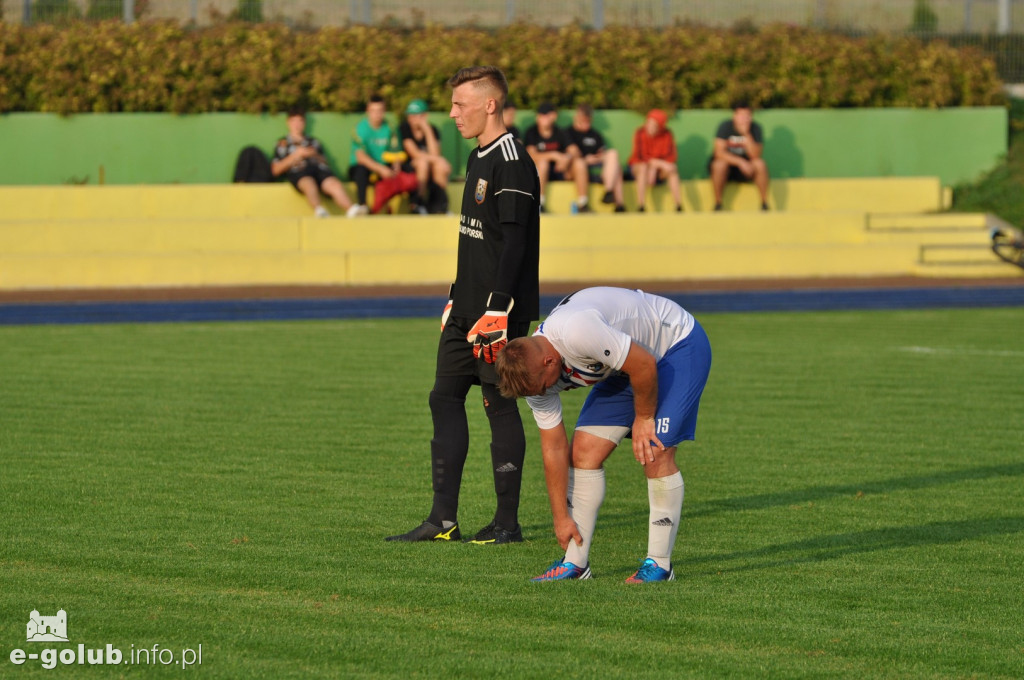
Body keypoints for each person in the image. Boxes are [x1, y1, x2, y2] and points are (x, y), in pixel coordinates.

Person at [386, 65, 541, 545]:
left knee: (498, 406)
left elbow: (515, 244)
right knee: (444, 398)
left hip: (499, 314)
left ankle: (506, 524)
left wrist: (497, 309)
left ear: (489, 105)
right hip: (465, 311)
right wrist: (455, 298)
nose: (452, 113)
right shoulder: (478, 157)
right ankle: (442, 520)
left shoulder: (512, 160)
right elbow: (476, 240)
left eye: (460, 104)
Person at [494, 287, 712, 583]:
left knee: (655, 451)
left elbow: (644, 364)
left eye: (543, 387)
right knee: (583, 453)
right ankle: (575, 564)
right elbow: (554, 448)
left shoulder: (578, 332)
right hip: (624, 367)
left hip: (675, 347)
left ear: (549, 362)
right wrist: (560, 518)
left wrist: (644, 418)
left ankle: (660, 565)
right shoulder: (530, 378)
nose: (544, 393)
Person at [271, 106, 364, 218]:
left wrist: (314, 154)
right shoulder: (282, 143)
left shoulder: (313, 142)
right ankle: (319, 210)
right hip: (299, 172)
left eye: (300, 121)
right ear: (288, 122)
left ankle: (351, 209)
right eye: (293, 121)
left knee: (333, 183)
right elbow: (275, 170)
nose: (297, 124)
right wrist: (296, 155)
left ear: (304, 123)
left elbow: (325, 162)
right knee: (308, 182)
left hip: (319, 171)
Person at [524, 102, 590, 213]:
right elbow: (531, 155)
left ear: (553, 116)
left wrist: (566, 158)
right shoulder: (532, 132)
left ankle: (583, 204)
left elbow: (575, 151)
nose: (542, 118)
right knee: (543, 163)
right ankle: (540, 204)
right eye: (540, 115)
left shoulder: (560, 132)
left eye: (545, 115)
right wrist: (554, 155)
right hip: (539, 173)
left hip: (561, 171)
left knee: (580, 163)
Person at [708, 100, 770, 211]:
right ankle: (718, 203)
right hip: (729, 168)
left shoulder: (755, 129)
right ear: (735, 116)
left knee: (760, 164)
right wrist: (740, 162)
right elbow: (718, 153)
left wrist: (746, 134)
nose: (744, 119)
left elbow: (756, 155)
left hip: (747, 169)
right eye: (741, 115)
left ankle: (764, 203)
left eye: (747, 115)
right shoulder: (725, 126)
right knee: (719, 165)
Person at [567, 103, 626, 213]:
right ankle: (583, 203)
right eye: (583, 119)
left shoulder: (595, 135)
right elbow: (572, 153)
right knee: (580, 162)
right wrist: (586, 159)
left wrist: (596, 158)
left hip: (595, 165)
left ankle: (615, 199)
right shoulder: (568, 133)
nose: (586, 123)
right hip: (574, 169)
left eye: (588, 120)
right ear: (577, 117)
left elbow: (601, 152)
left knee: (613, 156)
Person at [348, 94, 401, 212]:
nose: (377, 114)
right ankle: (363, 205)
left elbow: (395, 152)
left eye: (380, 110)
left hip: (382, 166)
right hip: (364, 167)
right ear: (368, 111)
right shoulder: (360, 128)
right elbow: (361, 157)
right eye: (373, 110)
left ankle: (415, 206)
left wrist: (396, 167)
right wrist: (381, 169)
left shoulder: (390, 128)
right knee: (360, 170)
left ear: (384, 111)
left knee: (404, 171)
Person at [399, 98, 452, 214]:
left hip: (429, 165)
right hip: (409, 166)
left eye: (415, 115)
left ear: (424, 116)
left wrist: (427, 130)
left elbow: (435, 154)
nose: (411, 119)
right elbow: (414, 154)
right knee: (425, 163)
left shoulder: (433, 130)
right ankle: (417, 203)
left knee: (440, 167)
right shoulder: (404, 128)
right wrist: (439, 160)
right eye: (410, 115)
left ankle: (438, 204)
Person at [628, 109, 683, 213]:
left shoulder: (667, 134)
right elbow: (640, 156)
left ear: (660, 127)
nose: (650, 127)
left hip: (658, 171)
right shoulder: (640, 132)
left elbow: (671, 157)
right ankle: (641, 206)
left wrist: (655, 167)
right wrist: (654, 165)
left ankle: (678, 205)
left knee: (673, 169)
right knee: (643, 168)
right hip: (640, 168)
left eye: (654, 125)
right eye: (649, 123)